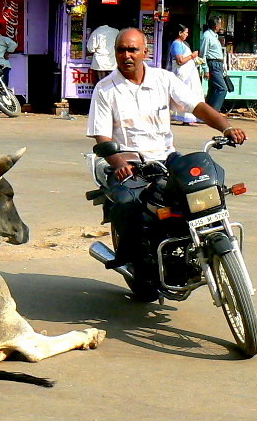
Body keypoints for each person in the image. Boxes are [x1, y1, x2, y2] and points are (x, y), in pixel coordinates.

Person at [88, 27, 246, 269]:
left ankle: (201, 240)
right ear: (115, 53)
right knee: (126, 203)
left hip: (167, 157)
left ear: (145, 52)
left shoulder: (164, 79)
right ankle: (132, 259)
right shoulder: (105, 89)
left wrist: (226, 128)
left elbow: (197, 107)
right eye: (121, 50)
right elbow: (101, 135)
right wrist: (119, 163)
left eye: (133, 49)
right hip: (130, 164)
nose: (127, 55)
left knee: (203, 183)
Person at [166, 23, 204, 125]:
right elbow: (180, 60)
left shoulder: (183, 44)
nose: (187, 35)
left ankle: (189, 117)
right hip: (183, 75)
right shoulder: (176, 44)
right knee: (184, 96)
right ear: (180, 33)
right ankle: (185, 117)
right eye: (185, 33)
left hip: (188, 75)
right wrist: (192, 56)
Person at [200, 16, 229, 112]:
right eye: (220, 24)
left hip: (218, 65)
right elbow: (203, 54)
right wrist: (205, 69)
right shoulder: (207, 36)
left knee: (213, 89)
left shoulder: (214, 36)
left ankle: (207, 112)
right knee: (222, 88)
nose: (221, 26)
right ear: (215, 25)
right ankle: (214, 112)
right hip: (213, 64)